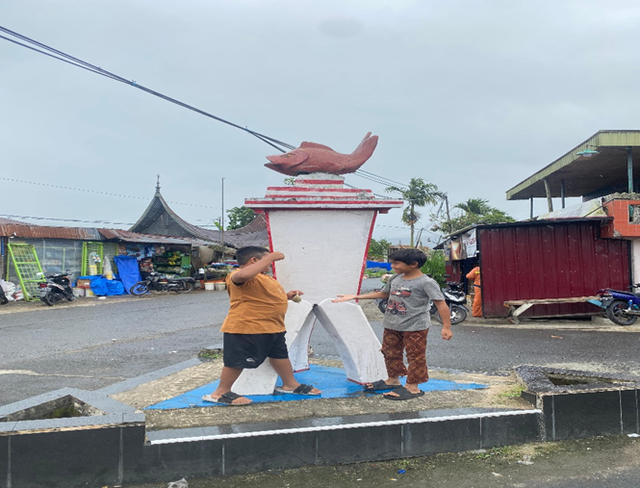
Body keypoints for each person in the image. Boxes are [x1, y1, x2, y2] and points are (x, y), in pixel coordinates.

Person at [203, 246, 321, 406]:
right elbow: (243, 275)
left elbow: (265, 298)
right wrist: (271, 257)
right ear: (254, 260)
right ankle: (220, 392)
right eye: (267, 262)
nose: (270, 266)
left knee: (280, 356)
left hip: (273, 327)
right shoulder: (238, 275)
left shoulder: (263, 278)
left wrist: (287, 297)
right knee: (236, 361)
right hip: (247, 328)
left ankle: (290, 384)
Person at [333, 248, 453, 401]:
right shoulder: (395, 278)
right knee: (389, 352)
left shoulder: (426, 282)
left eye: (397, 263)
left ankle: (413, 387)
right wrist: (356, 296)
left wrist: (446, 327)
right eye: (392, 263)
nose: (393, 266)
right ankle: (392, 380)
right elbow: (384, 294)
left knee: (415, 356)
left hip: (415, 326)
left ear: (414, 264)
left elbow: (441, 304)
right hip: (391, 323)